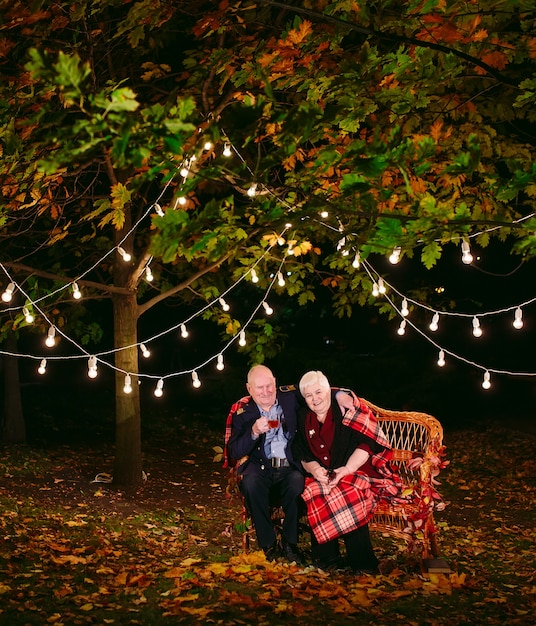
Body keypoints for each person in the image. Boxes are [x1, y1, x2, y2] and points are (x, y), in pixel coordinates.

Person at [225, 364, 354, 564]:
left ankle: (290, 544)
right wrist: (254, 432)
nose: (266, 392)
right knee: (251, 485)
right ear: (249, 389)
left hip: (289, 466)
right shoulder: (242, 412)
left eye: (269, 385)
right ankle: (268, 545)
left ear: (275, 382)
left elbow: (316, 391)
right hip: (260, 468)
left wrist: (339, 395)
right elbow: (233, 451)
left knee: (296, 483)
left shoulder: (289, 397)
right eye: (260, 388)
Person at [293, 370, 402, 574]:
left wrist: (346, 470)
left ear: (329, 391)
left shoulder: (346, 409)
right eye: (309, 395)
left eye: (319, 392)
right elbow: (300, 451)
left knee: (349, 493)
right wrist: (315, 470)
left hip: (353, 468)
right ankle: (326, 559)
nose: (315, 399)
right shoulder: (302, 416)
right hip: (321, 474)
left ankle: (362, 562)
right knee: (316, 491)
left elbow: (367, 444)